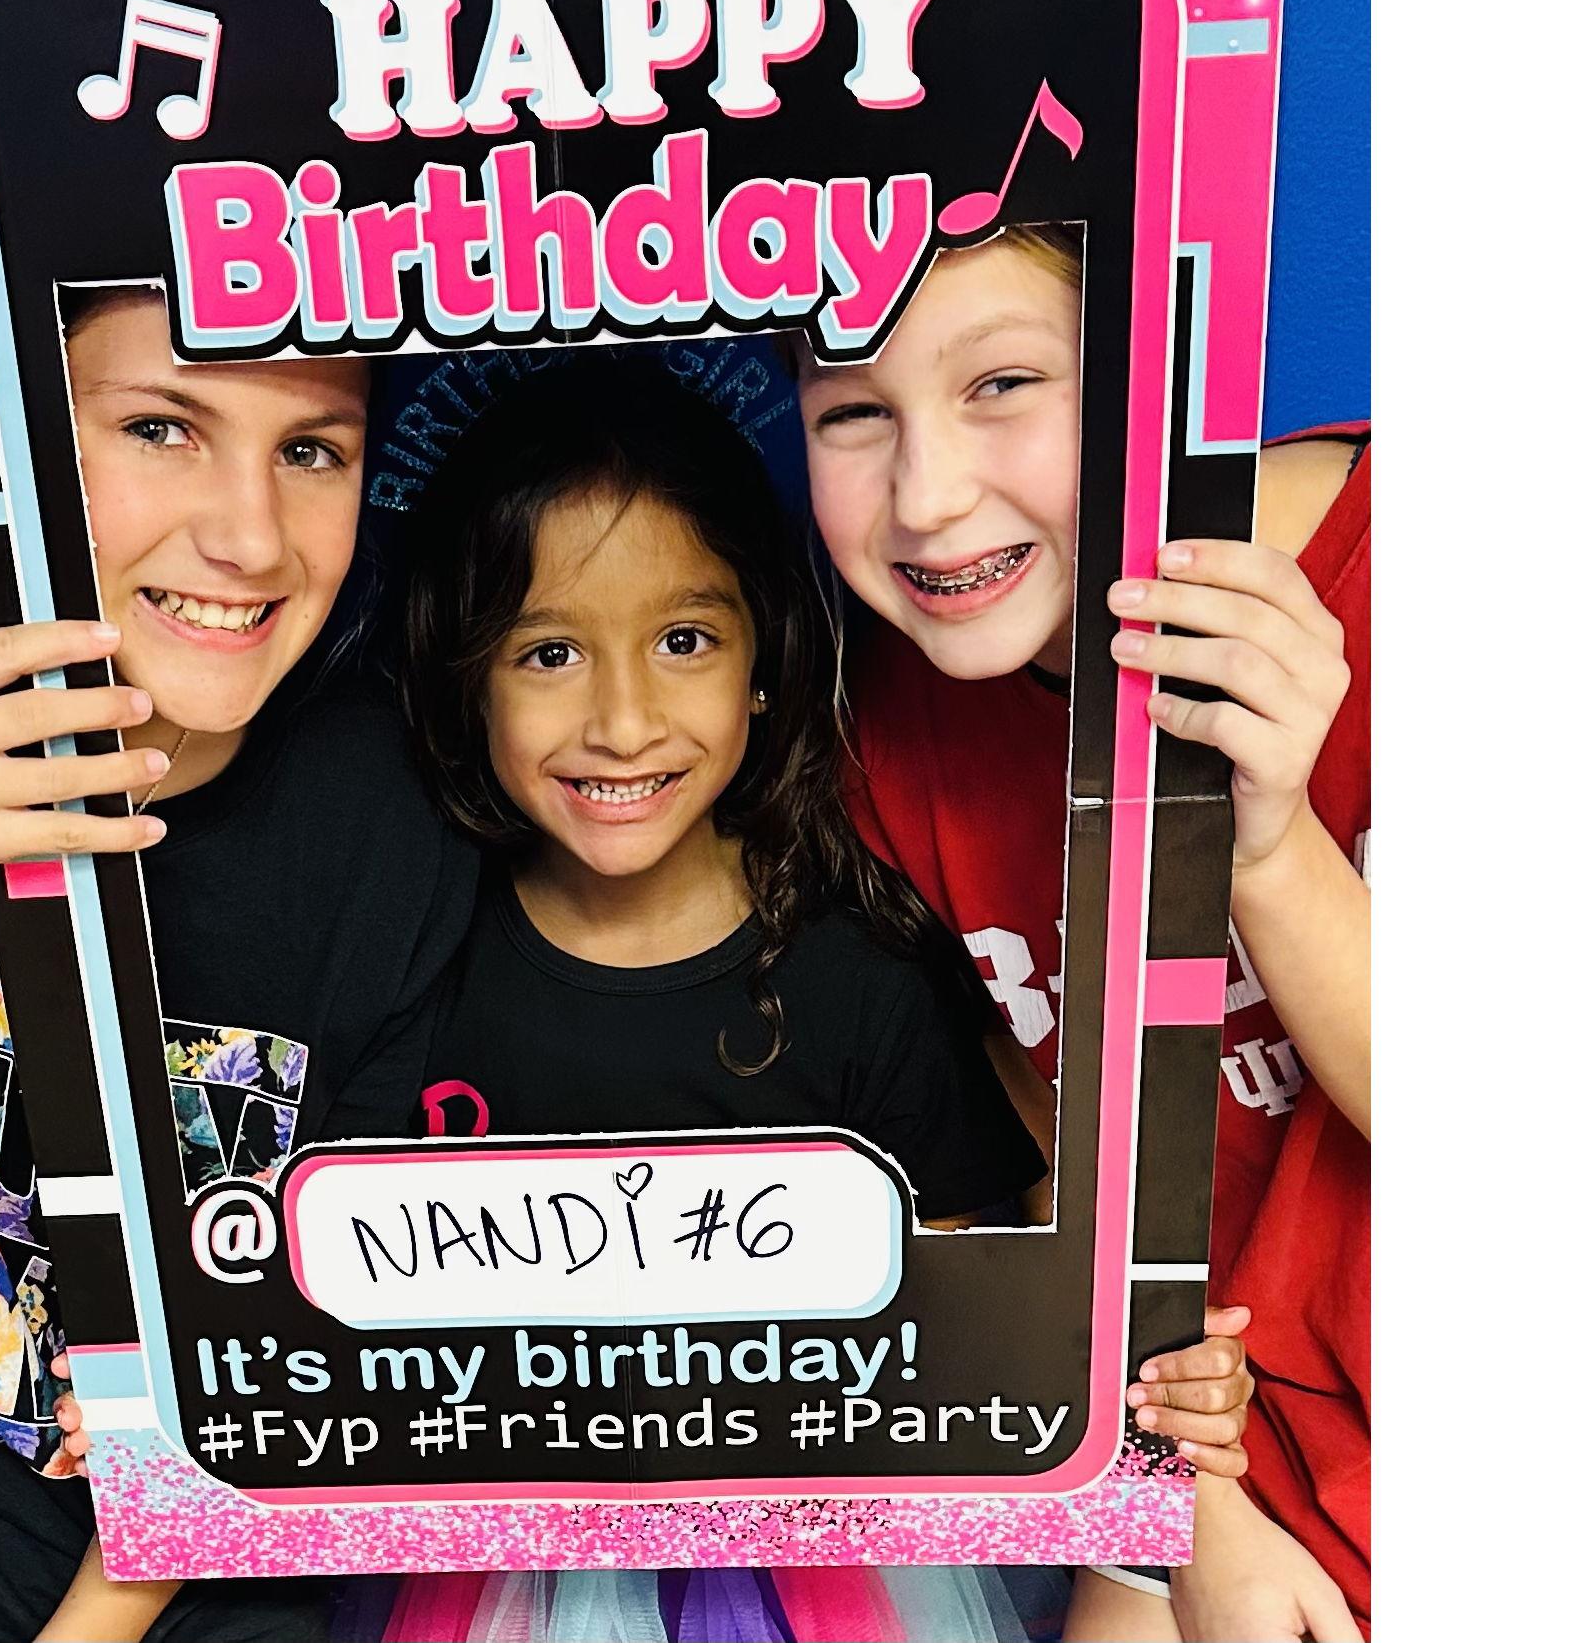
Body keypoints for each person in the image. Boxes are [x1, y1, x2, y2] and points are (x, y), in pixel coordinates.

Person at [354, 359, 1240, 1643]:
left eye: (683, 642)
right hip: (494, 1556)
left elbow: (976, 1318)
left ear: (761, 659)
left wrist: (1157, 1388)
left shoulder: (857, 977)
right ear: (465, 680)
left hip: (830, 1570)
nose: (622, 721)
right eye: (548, 652)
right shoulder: (412, 958)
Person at [0, 287, 478, 1642]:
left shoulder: (402, 818)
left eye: (311, 448)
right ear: (3, 423)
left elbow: (291, 1383)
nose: (249, 538)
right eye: (162, 426)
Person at [795, 226, 1369, 1641]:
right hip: (1207, 1437)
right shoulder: (881, 726)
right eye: (852, 411)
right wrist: (1184, 1499)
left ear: (1155, 365)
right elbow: (1071, 1173)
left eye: (1001, 383)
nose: (927, 498)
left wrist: (1265, 844)